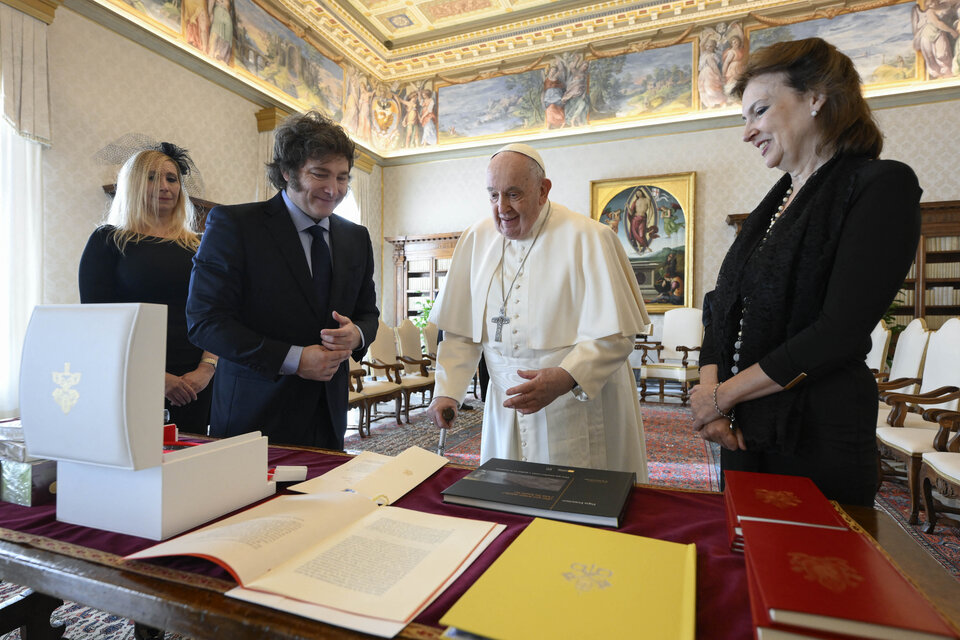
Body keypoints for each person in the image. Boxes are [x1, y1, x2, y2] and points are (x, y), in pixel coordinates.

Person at [690, 38, 922, 506]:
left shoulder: (881, 185)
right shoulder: (771, 206)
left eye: (758, 111)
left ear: (815, 97)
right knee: (745, 562)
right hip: (744, 430)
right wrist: (713, 395)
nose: (747, 132)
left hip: (816, 433)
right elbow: (722, 306)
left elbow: (838, 331)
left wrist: (723, 396)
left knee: (811, 572)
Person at [426, 143, 651, 478]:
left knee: (578, 506)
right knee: (509, 497)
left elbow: (617, 335)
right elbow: (460, 331)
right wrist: (447, 390)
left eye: (514, 194)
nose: (502, 208)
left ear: (543, 190)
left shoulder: (589, 237)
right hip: (506, 406)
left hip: (574, 403)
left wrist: (565, 376)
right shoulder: (476, 239)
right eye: (493, 195)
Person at [186, 111, 379, 449]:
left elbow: (368, 314)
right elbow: (205, 322)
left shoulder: (356, 237)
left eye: (343, 177)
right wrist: (293, 359)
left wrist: (357, 334)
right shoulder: (236, 226)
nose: (334, 190)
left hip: (330, 416)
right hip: (254, 417)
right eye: (320, 174)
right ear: (288, 171)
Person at [79, 144, 217, 435]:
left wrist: (207, 369)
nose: (164, 186)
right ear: (133, 184)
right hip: (132, 376)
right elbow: (99, 324)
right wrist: (159, 378)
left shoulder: (202, 244)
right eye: (152, 177)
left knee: (189, 467)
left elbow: (217, 311)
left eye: (172, 178)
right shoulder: (108, 240)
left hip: (196, 381)